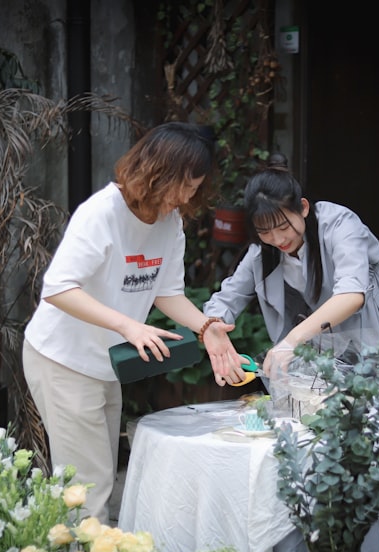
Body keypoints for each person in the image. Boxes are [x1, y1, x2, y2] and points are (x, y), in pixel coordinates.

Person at [23, 122, 245, 524]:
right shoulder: (101, 214)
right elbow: (57, 288)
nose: (184, 198)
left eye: (193, 189)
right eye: (180, 186)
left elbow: (167, 293)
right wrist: (129, 326)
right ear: (155, 171)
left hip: (103, 362)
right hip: (62, 360)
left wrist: (207, 327)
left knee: (98, 476)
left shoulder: (169, 222)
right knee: (87, 488)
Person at [203, 153, 379, 413]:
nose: (277, 239)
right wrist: (213, 331)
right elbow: (226, 299)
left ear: (303, 208)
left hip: (372, 329)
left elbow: (352, 294)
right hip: (325, 346)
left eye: (282, 227)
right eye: (264, 232)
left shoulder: (340, 224)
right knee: (327, 419)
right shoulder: (262, 252)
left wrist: (292, 341)